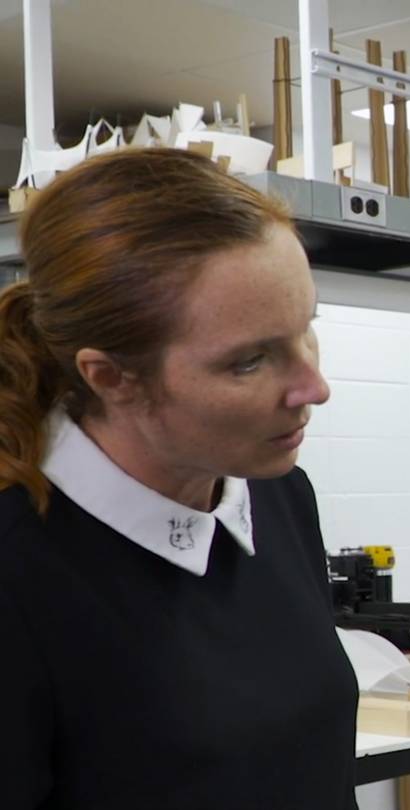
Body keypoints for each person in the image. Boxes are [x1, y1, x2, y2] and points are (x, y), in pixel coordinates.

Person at [0, 149, 356, 809]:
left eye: (306, 331)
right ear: (109, 376)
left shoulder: (277, 496)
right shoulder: (20, 569)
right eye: (251, 361)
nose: (314, 386)